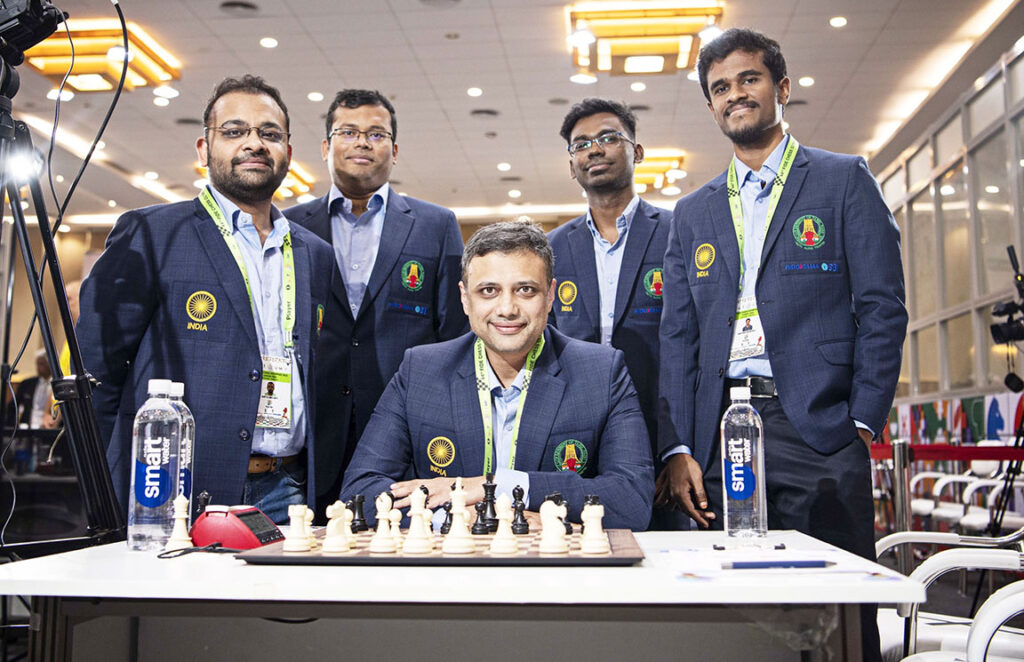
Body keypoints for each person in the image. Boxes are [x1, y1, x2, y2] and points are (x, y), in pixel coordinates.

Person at [657, 29, 906, 661]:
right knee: (730, 612)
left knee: (840, 614)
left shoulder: (842, 179)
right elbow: (678, 335)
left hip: (817, 426)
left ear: (782, 88)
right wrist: (681, 444)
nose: (734, 95)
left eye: (748, 79)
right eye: (719, 88)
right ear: (710, 106)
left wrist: (861, 420)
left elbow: (882, 307)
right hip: (721, 433)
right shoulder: (693, 212)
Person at [77, 75, 336, 524]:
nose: (254, 143)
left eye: (270, 134)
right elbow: (96, 372)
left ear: (288, 155)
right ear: (204, 149)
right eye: (234, 131)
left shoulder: (316, 253)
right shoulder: (151, 234)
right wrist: (102, 491)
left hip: (289, 490)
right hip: (176, 487)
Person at [341, 220, 653, 530]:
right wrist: (456, 518)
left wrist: (496, 486)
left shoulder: (602, 371)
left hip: (556, 572)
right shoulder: (420, 370)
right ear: (465, 298)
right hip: (450, 569)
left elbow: (631, 501)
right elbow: (361, 490)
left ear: (550, 296)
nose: (507, 308)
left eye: (526, 290)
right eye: (488, 291)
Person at [285, 89, 467, 516]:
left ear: (395, 150)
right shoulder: (291, 225)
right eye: (348, 131)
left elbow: (454, 336)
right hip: (313, 426)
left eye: (376, 134)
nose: (362, 142)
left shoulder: (435, 225)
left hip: (405, 425)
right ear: (327, 147)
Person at [548, 98, 682, 530]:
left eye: (609, 138)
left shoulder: (679, 231)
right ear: (572, 166)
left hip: (662, 427)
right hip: (573, 434)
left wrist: (679, 449)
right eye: (581, 144)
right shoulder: (551, 249)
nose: (595, 149)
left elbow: (698, 348)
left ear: (637, 152)